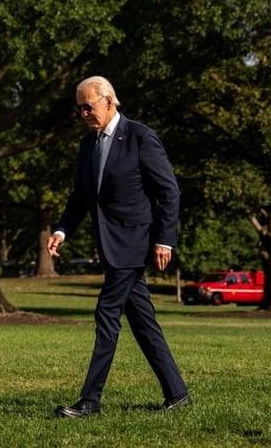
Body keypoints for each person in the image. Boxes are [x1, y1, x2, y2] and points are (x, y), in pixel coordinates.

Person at [48, 76, 191, 417]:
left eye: (88, 106)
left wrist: (164, 239)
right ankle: (177, 393)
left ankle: (90, 401)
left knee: (106, 314)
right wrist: (62, 230)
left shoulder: (141, 137)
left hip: (136, 243)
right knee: (142, 321)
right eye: (79, 108)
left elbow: (168, 191)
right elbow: (81, 195)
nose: (83, 113)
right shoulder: (88, 144)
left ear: (109, 101)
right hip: (110, 245)